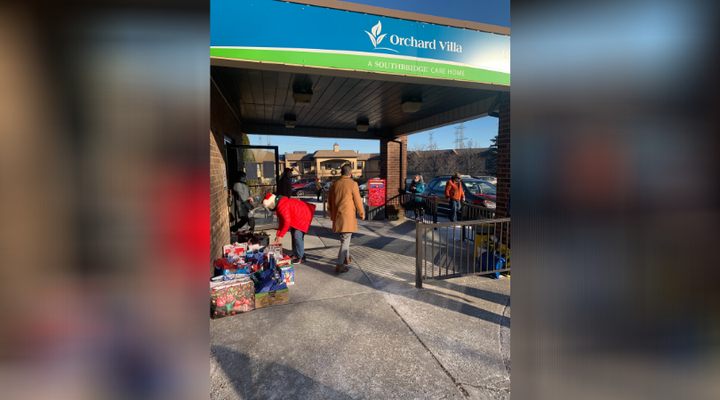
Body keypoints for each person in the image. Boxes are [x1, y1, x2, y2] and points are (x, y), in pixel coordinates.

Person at [327, 164, 365, 274]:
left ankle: (346, 258)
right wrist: (361, 213)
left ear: (340, 173)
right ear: (350, 173)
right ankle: (339, 265)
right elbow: (358, 200)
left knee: (344, 238)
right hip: (348, 216)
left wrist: (330, 214)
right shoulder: (353, 184)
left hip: (337, 216)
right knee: (345, 240)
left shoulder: (333, 184)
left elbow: (329, 202)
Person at [261, 192, 316, 263]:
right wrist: (278, 234)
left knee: (297, 235)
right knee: (293, 233)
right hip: (299, 215)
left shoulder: (281, 206)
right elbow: (282, 221)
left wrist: (280, 236)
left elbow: (287, 222)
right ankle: (295, 254)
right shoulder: (280, 204)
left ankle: (301, 256)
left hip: (303, 215)